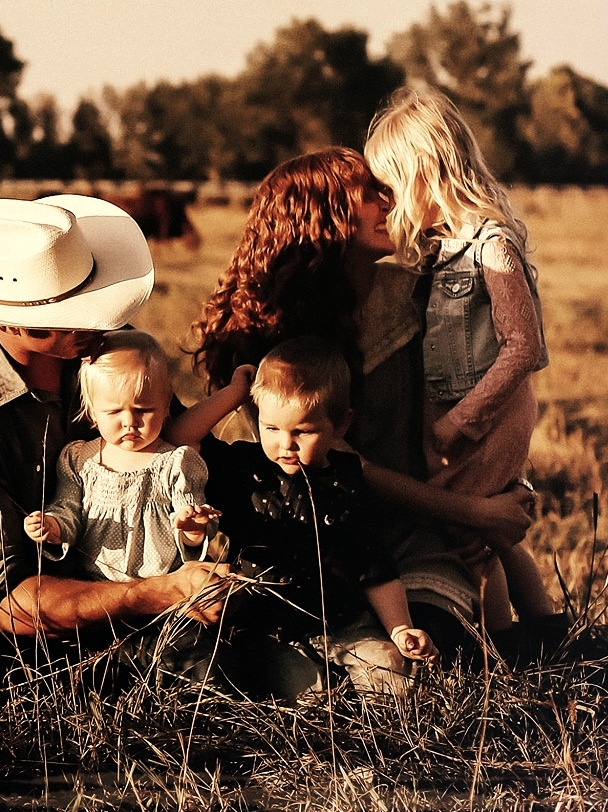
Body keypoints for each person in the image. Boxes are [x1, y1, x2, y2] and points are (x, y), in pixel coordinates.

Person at [183, 147, 536, 657]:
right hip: (308, 551)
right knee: (313, 671)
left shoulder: (421, 293)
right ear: (322, 217)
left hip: (418, 538)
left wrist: (496, 489)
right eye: (372, 193)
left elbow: (485, 389)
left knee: (426, 655)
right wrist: (477, 511)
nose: (393, 200)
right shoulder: (264, 335)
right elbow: (349, 467)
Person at [0, 195, 243, 689]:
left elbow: (171, 446)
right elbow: (7, 600)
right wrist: (154, 593)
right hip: (5, 597)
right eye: (73, 313)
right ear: (10, 320)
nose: (100, 321)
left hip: (127, 562)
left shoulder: (106, 350)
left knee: (210, 665)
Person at [364, 85, 564, 645]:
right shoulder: (442, 246)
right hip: (466, 410)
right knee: (493, 535)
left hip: (487, 413)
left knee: (467, 534)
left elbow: (524, 347)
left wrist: (460, 421)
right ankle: (549, 636)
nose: (388, 201)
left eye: (392, 186)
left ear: (429, 173)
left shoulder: (491, 245)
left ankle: (501, 655)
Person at [171, 337, 439, 695]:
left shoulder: (347, 480)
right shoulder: (242, 468)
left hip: (344, 621)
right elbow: (179, 439)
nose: (286, 444)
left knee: (395, 675)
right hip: (269, 628)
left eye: (303, 431)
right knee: (311, 699)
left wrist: (400, 629)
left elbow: (375, 568)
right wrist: (235, 394)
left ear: (340, 426)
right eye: (271, 428)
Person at [23, 329, 249, 581]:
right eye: (114, 411)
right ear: (92, 410)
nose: (130, 421)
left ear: (165, 404)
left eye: (144, 409)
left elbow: (191, 529)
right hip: (96, 589)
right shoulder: (80, 460)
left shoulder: (175, 463)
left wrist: (193, 528)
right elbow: (68, 509)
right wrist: (53, 526)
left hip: (162, 589)